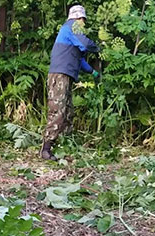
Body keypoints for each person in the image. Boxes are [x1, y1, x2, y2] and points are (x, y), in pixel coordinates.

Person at [41, 4, 100, 161]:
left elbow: (79, 60)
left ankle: (64, 144)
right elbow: (87, 44)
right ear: (78, 18)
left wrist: (92, 72)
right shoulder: (71, 26)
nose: (84, 24)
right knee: (58, 110)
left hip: (66, 75)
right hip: (59, 75)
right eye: (83, 20)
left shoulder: (71, 33)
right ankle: (46, 148)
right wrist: (99, 48)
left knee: (67, 111)